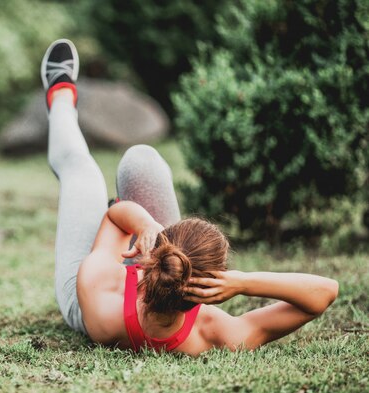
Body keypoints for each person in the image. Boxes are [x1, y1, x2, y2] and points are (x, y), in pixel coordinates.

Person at [42, 39, 339, 356]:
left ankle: (59, 95)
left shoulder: (99, 286)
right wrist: (242, 282)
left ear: (164, 242)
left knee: (82, 174)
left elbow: (114, 216)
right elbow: (325, 292)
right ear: (211, 287)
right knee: (141, 159)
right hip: (157, 271)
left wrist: (142, 223)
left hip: (91, 300)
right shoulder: (211, 330)